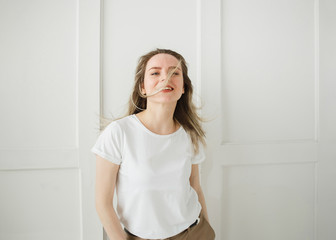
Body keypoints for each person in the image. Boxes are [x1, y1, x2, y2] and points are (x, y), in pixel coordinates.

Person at [91, 48, 216, 240]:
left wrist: (207, 229)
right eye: (155, 73)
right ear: (143, 88)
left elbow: (195, 187)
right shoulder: (118, 133)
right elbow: (103, 203)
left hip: (195, 233)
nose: (165, 78)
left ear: (183, 87)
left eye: (175, 72)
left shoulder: (190, 134)